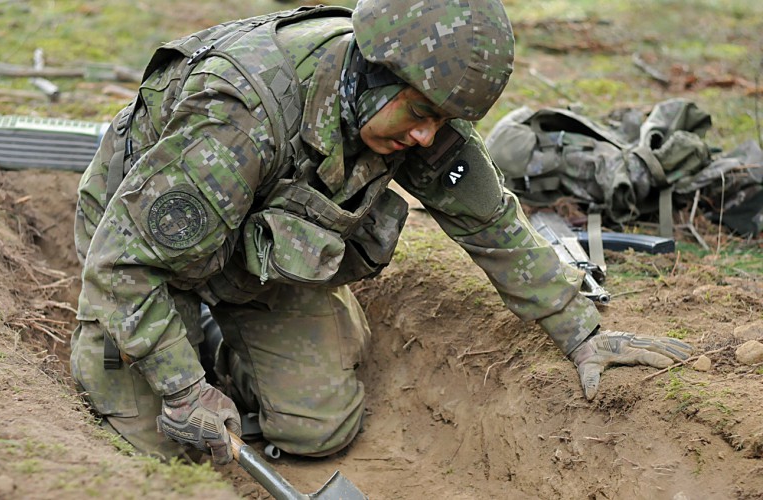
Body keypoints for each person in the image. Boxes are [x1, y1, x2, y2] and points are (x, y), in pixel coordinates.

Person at [70, 0, 693, 465]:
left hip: (254, 257)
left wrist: (579, 330)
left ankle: (218, 337)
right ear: (372, 71)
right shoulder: (240, 114)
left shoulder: (417, 108)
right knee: (165, 444)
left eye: (442, 120)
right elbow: (122, 263)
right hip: (143, 255)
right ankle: (160, 340)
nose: (427, 137)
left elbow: (491, 221)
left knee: (319, 430)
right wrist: (183, 389)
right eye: (419, 114)